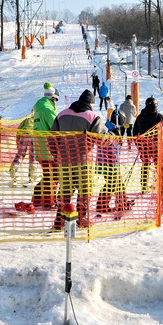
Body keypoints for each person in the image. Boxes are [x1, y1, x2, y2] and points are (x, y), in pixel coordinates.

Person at [49, 90, 107, 230]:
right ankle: (82, 220)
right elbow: (101, 139)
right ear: (90, 103)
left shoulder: (61, 115)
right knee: (84, 192)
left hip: (64, 160)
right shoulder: (92, 117)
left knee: (65, 192)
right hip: (83, 161)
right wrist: (111, 137)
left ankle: (59, 222)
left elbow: (51, 137)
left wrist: (56, 154)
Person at [132, 96, 163, 193]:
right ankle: (162, 185)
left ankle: (144, 187)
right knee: (158, 166)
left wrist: (138, 145)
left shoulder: (140, 117)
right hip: (156, 147)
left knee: (145, 165)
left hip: (144, 147)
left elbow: (134, 133)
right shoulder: (158, 116)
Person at [31, 82, 59, 209]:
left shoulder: (39, 108)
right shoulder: (47, 110)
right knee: (53, 177)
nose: (56, 103)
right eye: (56, 100)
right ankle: (48, 202)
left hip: (40, 148)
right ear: (53, 98)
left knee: (48, 175)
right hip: (49, 149)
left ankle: (37, 199)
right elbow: (56, 128)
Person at [9, 110, 35, 184]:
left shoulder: (26, 120)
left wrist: (18, 140)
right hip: (33, 136)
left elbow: (18, 129)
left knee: (20, 155)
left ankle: (13, 170)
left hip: (23, 135)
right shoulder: (38, 121)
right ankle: (31, 177)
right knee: (32, 156)